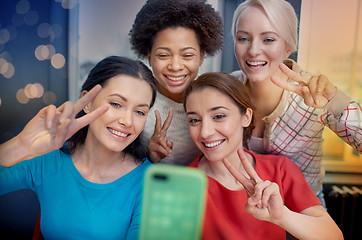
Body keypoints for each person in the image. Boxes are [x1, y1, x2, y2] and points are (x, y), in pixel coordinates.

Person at [0, 56, 157, 239]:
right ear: (87, 102)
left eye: (140, 112)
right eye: (116, 104)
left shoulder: (149, 182)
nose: (127, 122)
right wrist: (21, 145)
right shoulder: (49, 159)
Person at [184, 72, 343, 240]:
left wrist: (281, 216)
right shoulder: (182, 184)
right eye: (194, 120)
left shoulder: (280, 169)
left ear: (246, 117)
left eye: (219, 116)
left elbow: (334, 236)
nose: (205, 132)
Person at [230, 0, 362, 203]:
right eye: (243, 38)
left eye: (268, 39)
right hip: (248, 209)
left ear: (288, 47)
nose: (253, 50)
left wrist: (335, 100)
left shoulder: (313, 92)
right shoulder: (227, 88)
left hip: (303, 210)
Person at [129, 0, 223, 165]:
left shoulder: (218, 99)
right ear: (149, 55)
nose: (175, 66)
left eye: (187, 55)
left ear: (201, 56)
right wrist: (148, 156)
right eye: (164, 55)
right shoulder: (137, 107)